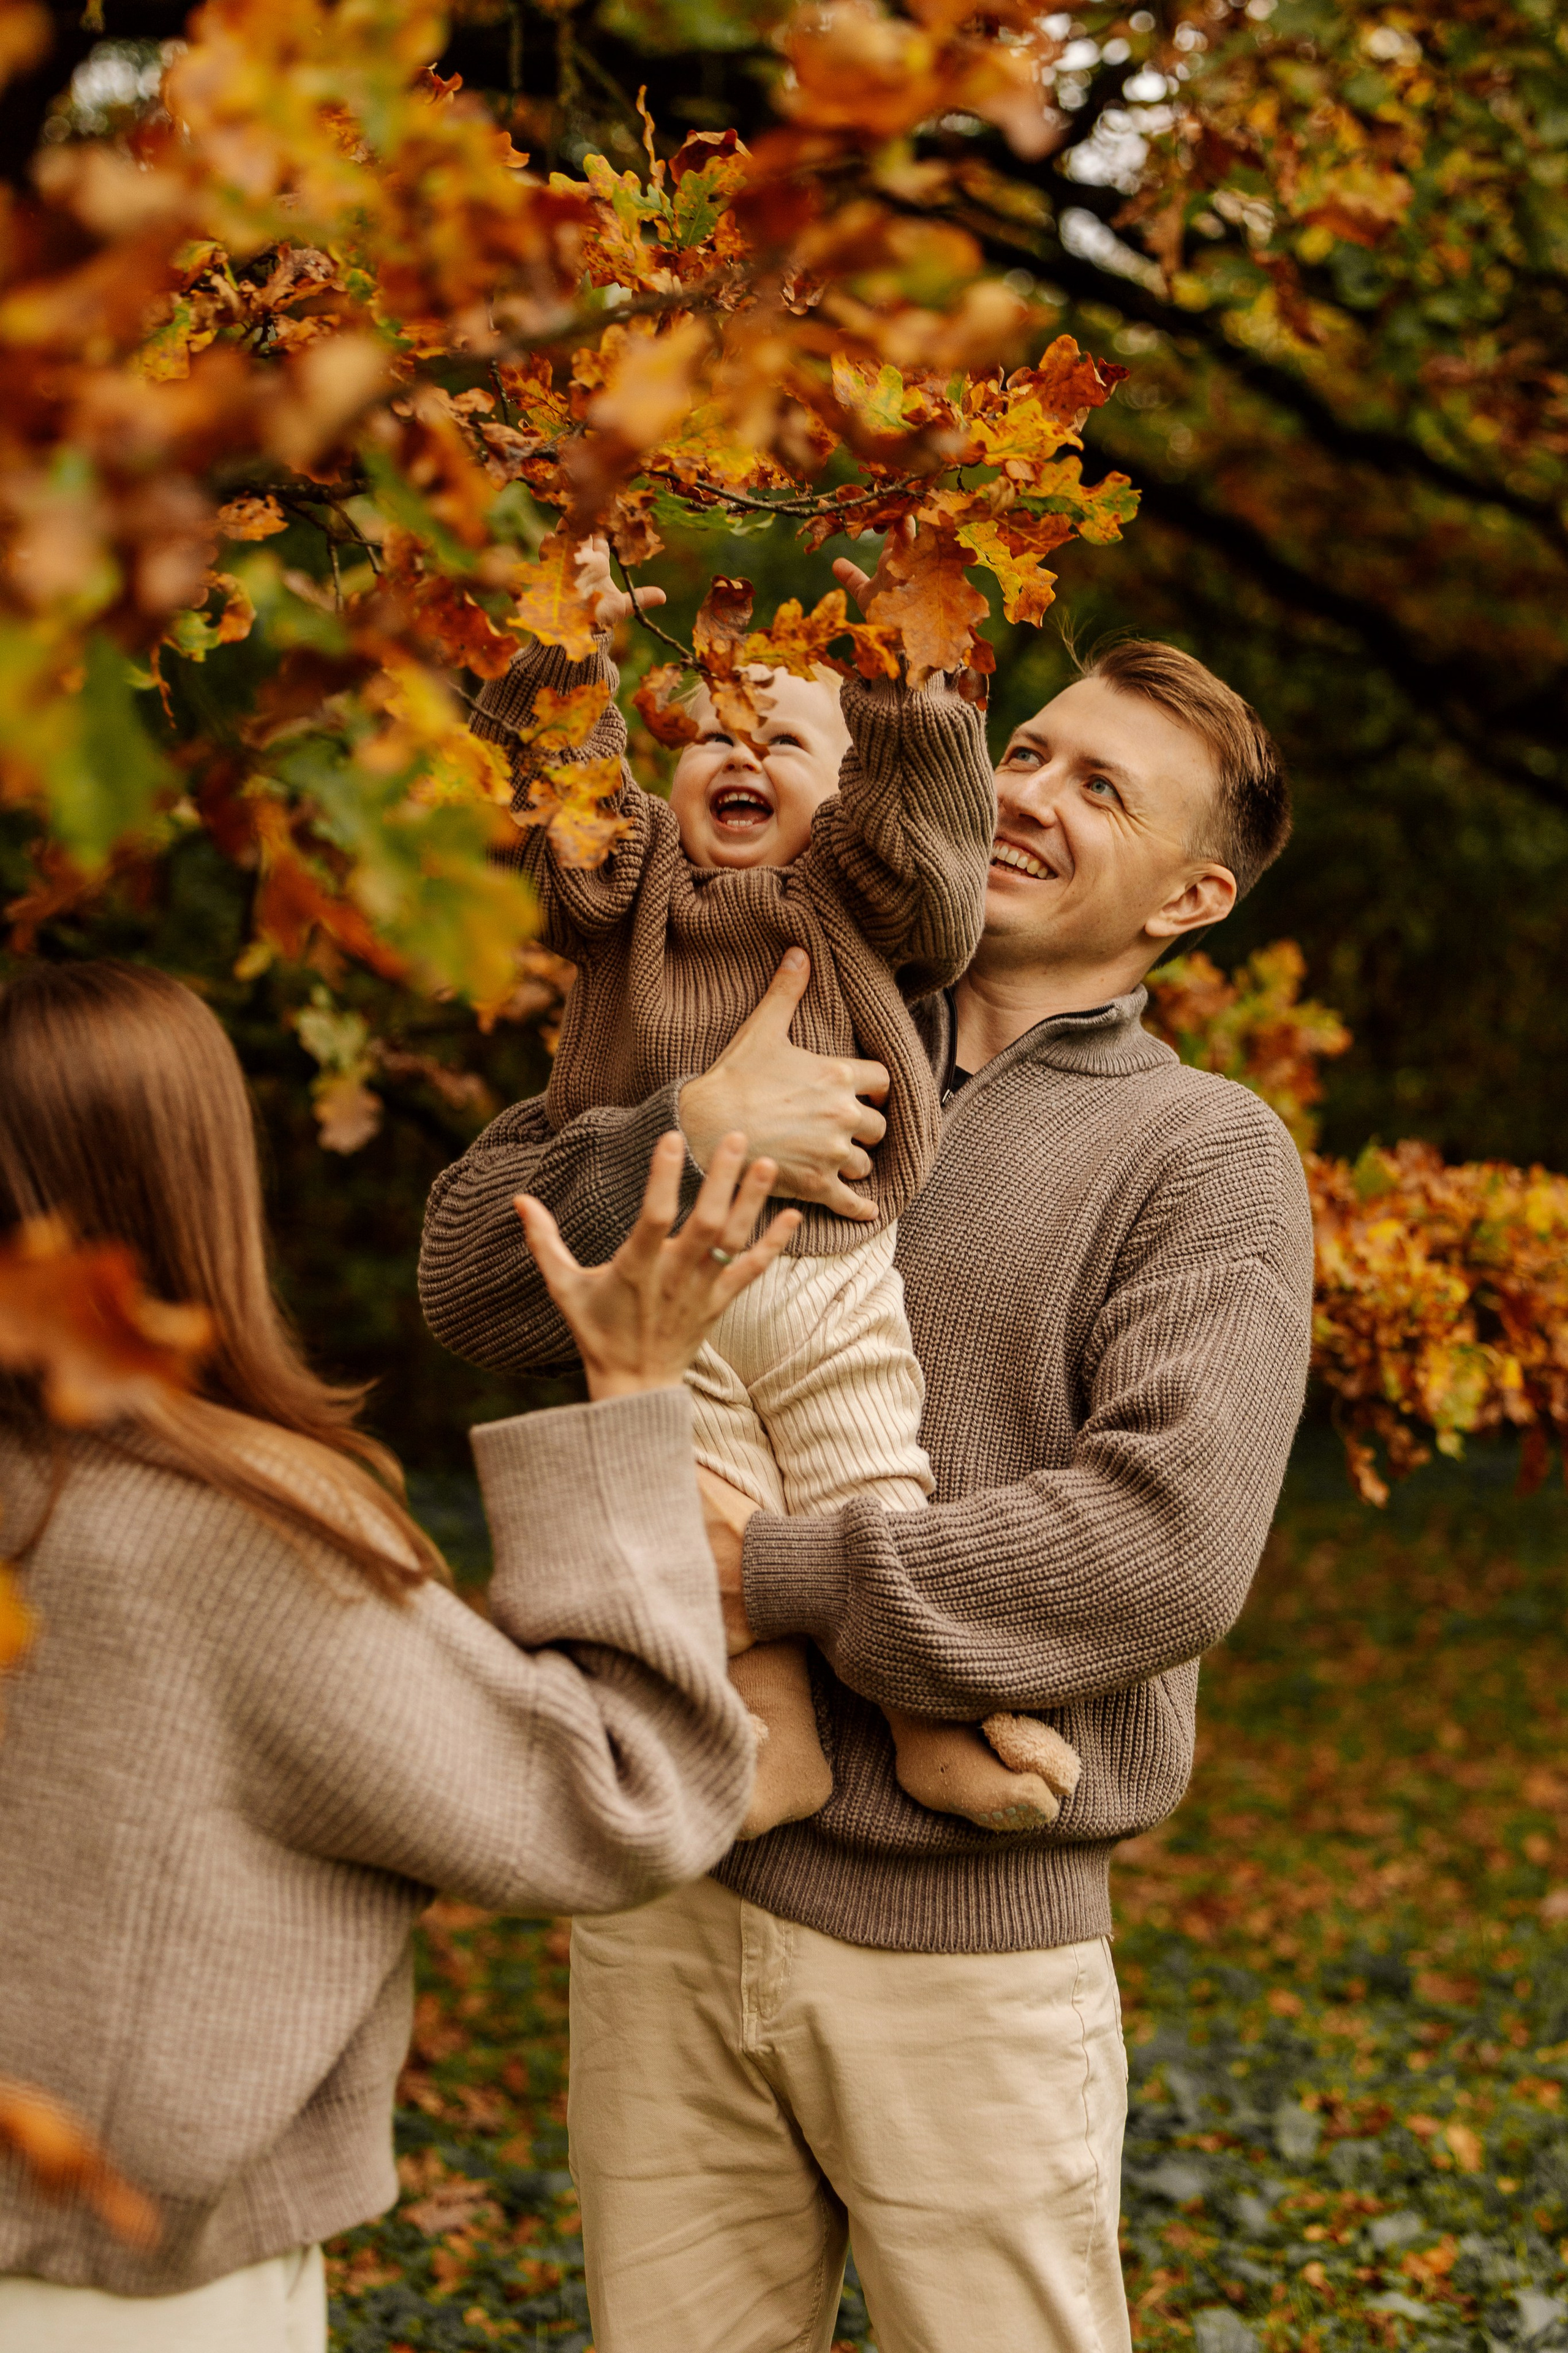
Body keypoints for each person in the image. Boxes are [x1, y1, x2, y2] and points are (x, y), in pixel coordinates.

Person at [420, 622, 1317, 2353]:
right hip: (681, 1887)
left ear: (1191, 902)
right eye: (1031, 750)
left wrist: (786, 1577)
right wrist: (696, 1124)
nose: (1033, 796)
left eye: (1101, 788)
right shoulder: (772, 977)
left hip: (965, 1950)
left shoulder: (1202, 1156)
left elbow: (1166, 1547)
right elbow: (468, 1286)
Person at [0, 957, 796, 2352]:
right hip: (110, 2298)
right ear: (193, 1183)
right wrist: (632, 1395)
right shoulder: (222, 1538)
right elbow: (611, 1796)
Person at [467, 535, 1076, 1841]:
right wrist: (559, 671)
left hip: (822, 1271)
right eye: (704, 732)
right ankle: (768, 1738)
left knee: (866, 1471)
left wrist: (913, 702)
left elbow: (930, 861)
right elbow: (556, 823)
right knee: (703, 1502)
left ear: (846, 795)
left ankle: (929, 1722)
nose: (738, 751)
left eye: (784, 741)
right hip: (659, 1279)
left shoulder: (849, 891)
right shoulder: (625, 890)